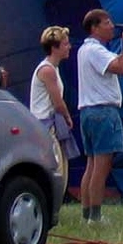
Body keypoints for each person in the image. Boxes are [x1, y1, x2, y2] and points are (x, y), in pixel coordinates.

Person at [76, 9, 123, 223]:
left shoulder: (85, 50)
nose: (112, 26)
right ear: (95, 27)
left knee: (91, 164)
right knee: (101, 167)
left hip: (88, 112)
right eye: (107, 23)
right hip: (103, 112)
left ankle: (87, 213)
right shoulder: (96, 51)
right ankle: (95, 216)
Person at [28, 25, 79, 172]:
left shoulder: (53, 68)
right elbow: (58, 102)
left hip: (51, 123)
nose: (69, 47)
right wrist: (68, 117)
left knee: (61, 164)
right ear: (54, 48)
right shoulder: (47, 70)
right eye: (65, 44)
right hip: (45, 124)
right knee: (54, 165)